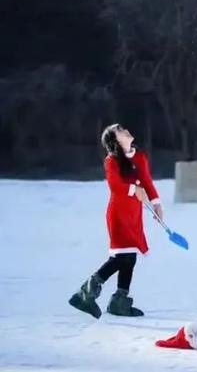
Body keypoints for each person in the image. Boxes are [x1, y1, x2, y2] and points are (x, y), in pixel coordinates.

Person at [68, 123, 162, 318]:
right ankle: (85, 293)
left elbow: (147, 182)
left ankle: (119, 303)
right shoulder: (111, 161)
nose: (125, 129)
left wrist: (156, 204)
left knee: (130, 257)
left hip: (134, 216)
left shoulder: (140, 157)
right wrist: (134, 190)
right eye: (119, 130)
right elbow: (116, 185)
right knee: (120, 257)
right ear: (115, 141)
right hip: (118, 215)